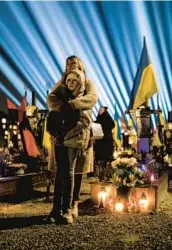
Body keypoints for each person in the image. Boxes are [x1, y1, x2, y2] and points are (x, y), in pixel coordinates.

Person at [47, 56, 97, 224]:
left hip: (77, 134)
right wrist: (61, 109)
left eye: (73, 64)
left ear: (80, 65)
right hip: (61, 132)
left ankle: (72, 204)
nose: (70, 66)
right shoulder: (62, 83)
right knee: (62, 172)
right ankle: (59, 208)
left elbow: (92, 98)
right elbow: (51, 98)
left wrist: (73, 104)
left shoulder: (87, 83)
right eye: (68, 64)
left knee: (75, 170)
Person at [94, 106, 115, 180]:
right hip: (100, 142)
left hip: (106, 142)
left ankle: (107, 175)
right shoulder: (98, 119)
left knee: (106, 159)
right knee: (100, 159)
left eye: (101, 110)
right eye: (99, 110)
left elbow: (112, 125)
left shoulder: (108, 119)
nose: (100, 111)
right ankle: (100, 175)